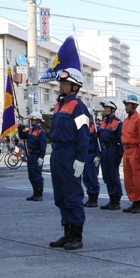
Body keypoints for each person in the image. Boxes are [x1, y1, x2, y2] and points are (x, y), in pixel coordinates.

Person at [48, 68, 89, 251]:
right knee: (60, 196)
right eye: (61, 83)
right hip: (57, 154)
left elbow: (83, 135)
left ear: (74, 86)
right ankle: (67, 233)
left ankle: (77, 236)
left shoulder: (78, 106)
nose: (61, 85)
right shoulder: (59, 105)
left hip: (70, 154)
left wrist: (80, 159)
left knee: (73, 195)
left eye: (64, 83)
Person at [121, 94, 140, 214]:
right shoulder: (126, 121)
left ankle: (139, 203)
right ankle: (133, 201)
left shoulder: (139, 120)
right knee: (128, 179)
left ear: (134, 106)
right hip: (126, 151)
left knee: (137, 179)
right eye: (125, 105)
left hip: (135, 150)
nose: (126, 107)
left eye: (128, 105)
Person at [98, 98, 124, 210]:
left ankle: (116, 200)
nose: (105, 110)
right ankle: (111, 198)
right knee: (106, 176)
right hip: (104, 150)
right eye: (105, 108)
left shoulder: (118, 122)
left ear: (113, 109)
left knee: (113, 176)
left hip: (113, 149)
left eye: (108, 108)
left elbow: (122, 139)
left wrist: (120, 155)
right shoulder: (102, 122)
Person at [18, 112, 47, 202]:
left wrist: (41, 157)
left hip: (37, 155)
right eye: (31, 120)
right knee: (31, 175)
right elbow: (22, 135)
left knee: (37, 175)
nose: (31, 121)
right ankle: (35, 193)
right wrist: (20, 127)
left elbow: (43, 146)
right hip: (30, 155)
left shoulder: (40, 132)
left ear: (38, 120)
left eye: (33, 120)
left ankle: (39, 194)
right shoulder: (31, 131)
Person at [82, 108, 101, 208]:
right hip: (84, 155)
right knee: (86, 178)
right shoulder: (82, 127)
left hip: (92, 154)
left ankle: (94, 199)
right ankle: (90, 197)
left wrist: (98, 156)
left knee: (93, 177)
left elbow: (99, 143)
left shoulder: (95, 128)